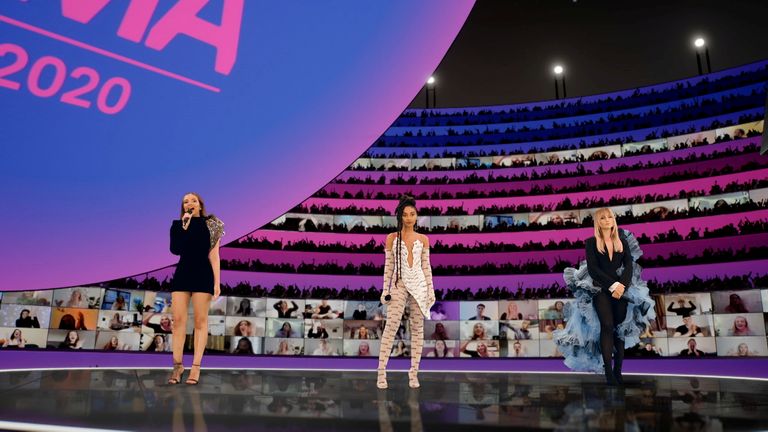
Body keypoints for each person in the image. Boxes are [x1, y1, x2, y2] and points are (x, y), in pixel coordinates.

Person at [553, 208, 655, 386]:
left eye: (609, 217)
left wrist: (621, 286)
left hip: (621, 291)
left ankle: (618, 371)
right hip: (601, 290)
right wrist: (613, 285)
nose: (607, 220)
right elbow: (593, 270)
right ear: (597, 222)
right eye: (603, 218)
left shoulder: (622, 241)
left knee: (620, 329)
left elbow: (629, 266)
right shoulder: (591, 242)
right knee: (607, 326)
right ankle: (608, 372)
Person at [377, 196, 435, 389]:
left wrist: (430, 289)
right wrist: (385, 289)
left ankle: (414, 373)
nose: (409, 217)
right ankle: (381, 372)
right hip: (399, 284)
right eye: (405, 214)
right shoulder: (392, 237)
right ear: (400, 216)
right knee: (391, 326)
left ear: (417, 216)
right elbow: (388, 266)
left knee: (417, 330)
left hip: (419, 286)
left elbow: (426, 267)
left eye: (412, 214)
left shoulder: (424, 239)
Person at [167, 192, 225, 385]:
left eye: (193, 200)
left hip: (203, 273)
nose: (189, 203)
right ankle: (177, 366)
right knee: (178, 321)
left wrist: (217, 282)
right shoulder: (177, 225)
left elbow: (214, 256)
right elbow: (175, 250)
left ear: (200, 205)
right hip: (183, 273)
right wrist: (184, 226)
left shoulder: (212, 224)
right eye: (185, 201)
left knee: (200, 321)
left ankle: (196, 367)